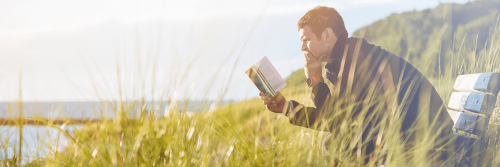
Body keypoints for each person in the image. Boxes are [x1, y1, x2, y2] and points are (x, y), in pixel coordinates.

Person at [259, 6, 455, 164]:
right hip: (419, 137)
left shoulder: (355, 61)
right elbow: (335, 118)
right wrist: (286, 107)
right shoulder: (348, 57)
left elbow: (334, 122)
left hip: (430, 145)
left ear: (327, 34)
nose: (302, 48)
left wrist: (316, 80)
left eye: (306, 40)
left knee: (335, 143)